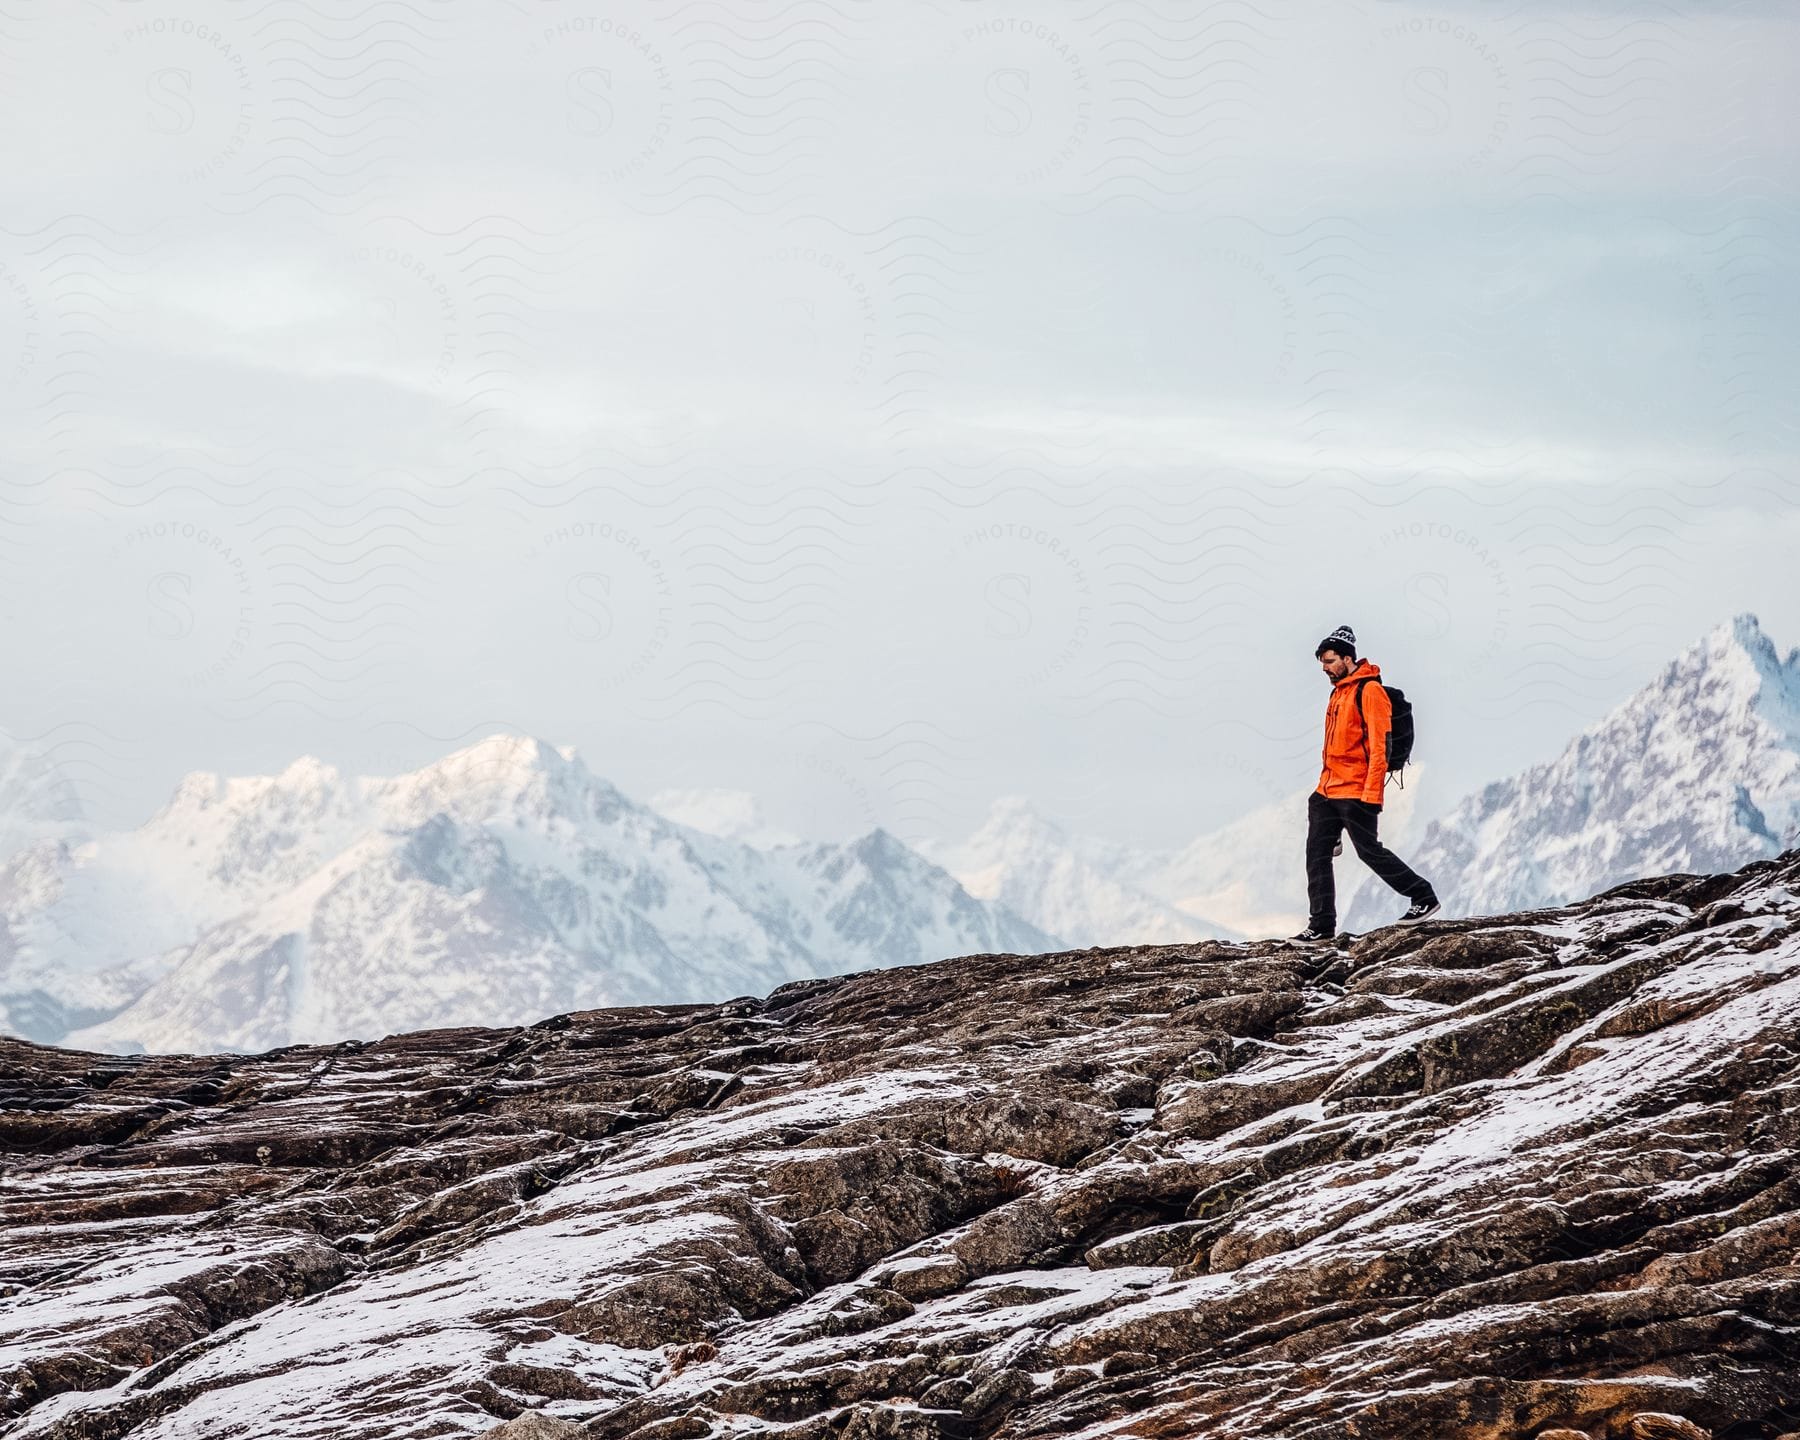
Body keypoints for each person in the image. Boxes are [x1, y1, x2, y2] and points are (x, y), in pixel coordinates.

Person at [1292, 625, 1439, 941]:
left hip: (1357, 790)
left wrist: (1373, 794)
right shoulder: (1338, 693)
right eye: (1322, 663)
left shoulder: (1369, 692)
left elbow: (1380, 746)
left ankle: (1423, 896)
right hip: (1329, 789)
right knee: (1315, 852)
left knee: (1369, 852)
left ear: (1347, 658)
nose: (1325, 669)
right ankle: (1321, 926)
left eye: (1330, 661)